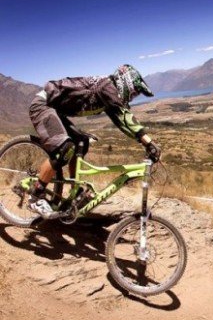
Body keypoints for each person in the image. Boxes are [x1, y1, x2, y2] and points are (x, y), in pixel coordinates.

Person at [28, 64, 161, 218]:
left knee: (81, 143)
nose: (132, 98)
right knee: (65, 148)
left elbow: (121, 122)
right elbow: (125, 118)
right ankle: (36, 197)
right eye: (133, 93)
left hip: (55, 110)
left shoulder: (108, 93)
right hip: (43, 106)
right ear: (125, 83)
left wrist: (144, 141)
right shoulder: (108, 87)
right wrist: (148, 142)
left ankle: (75, 190)